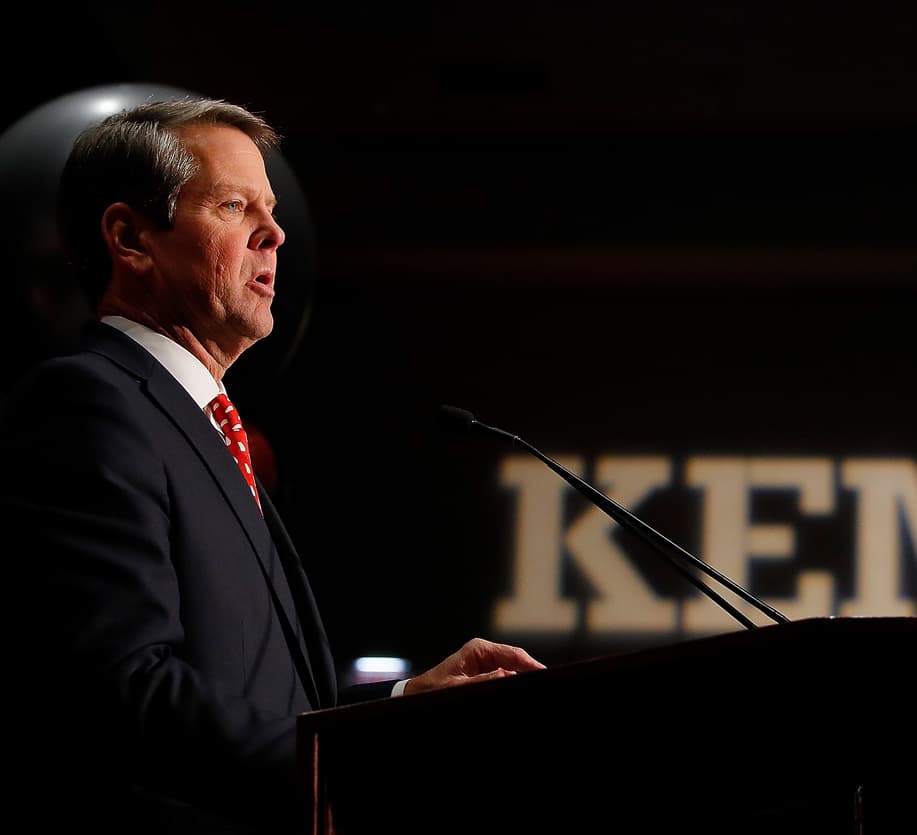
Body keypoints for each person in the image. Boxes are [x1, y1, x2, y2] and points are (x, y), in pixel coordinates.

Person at [0, 97, 545, 834]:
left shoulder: (197, 423)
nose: (276, 233)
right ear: (131, 238)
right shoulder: (89, 403)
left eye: (272, 208)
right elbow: (122, 688)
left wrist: (397, 713)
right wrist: (353, 759)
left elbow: (250, 691)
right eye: (234, 205)